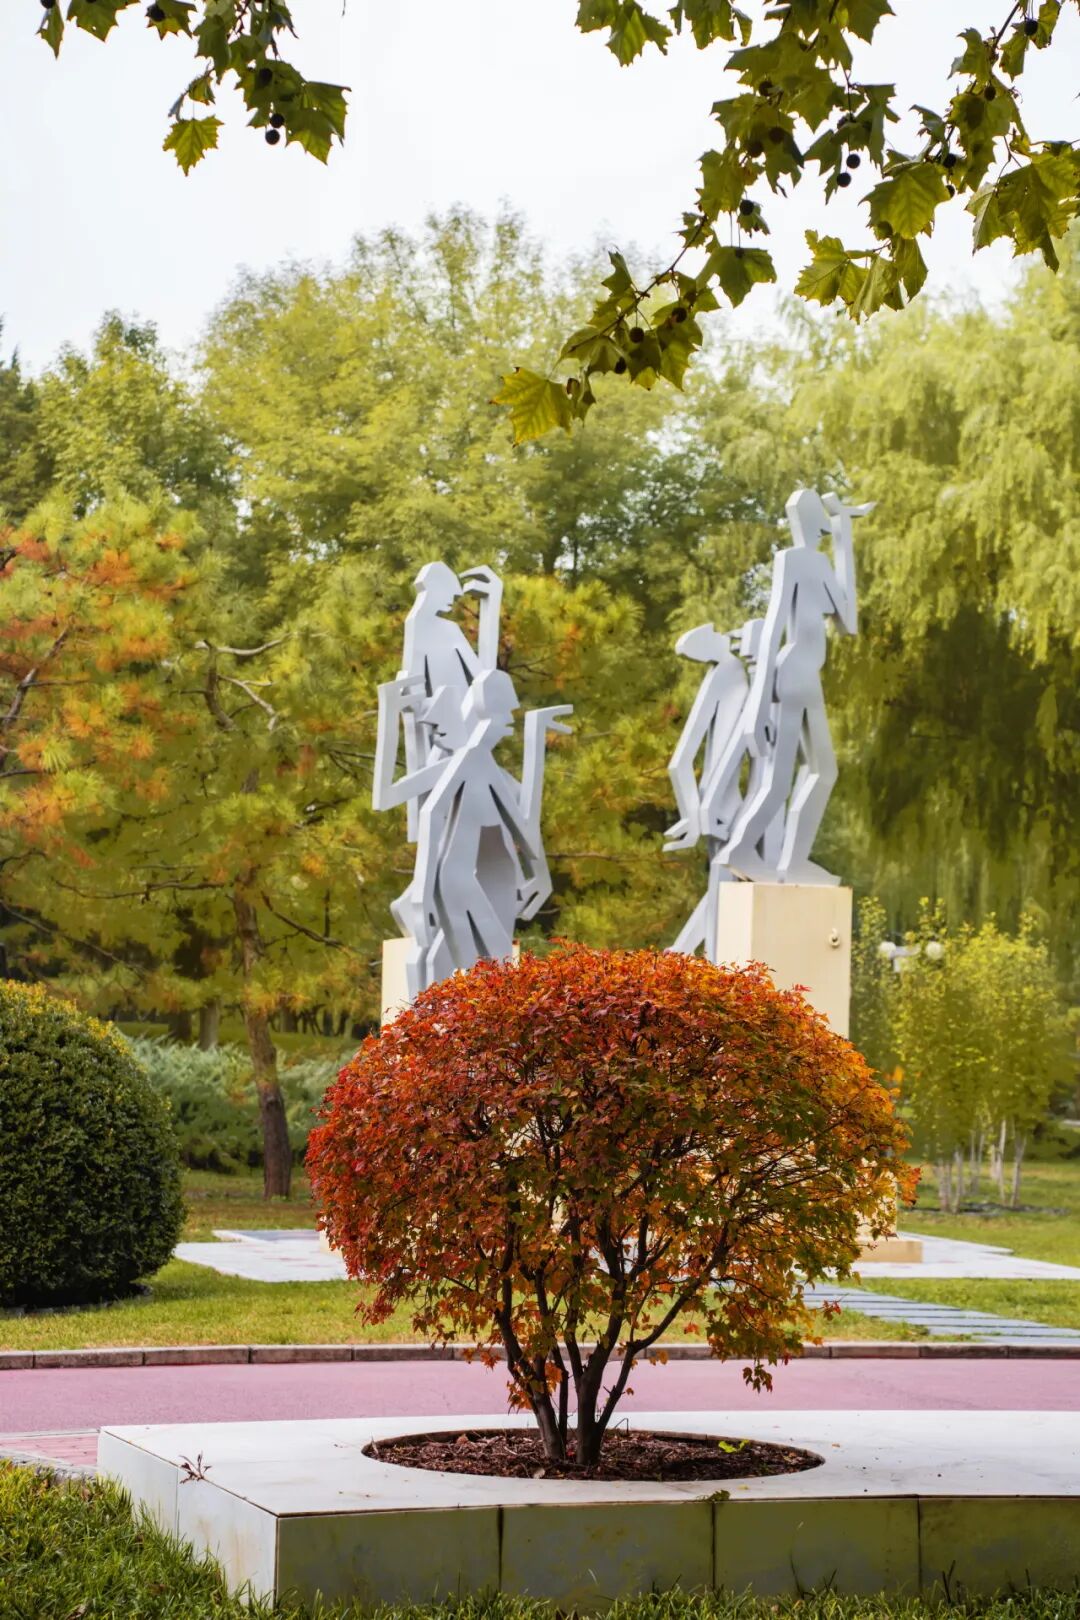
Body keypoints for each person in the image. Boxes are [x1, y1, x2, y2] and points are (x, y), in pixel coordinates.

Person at [719, 488, 869, 884]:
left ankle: (792, 861)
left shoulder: (819, 563)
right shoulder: (793, 560)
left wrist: (844, 532)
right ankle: (742, 850)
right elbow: (772, 628)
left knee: (823, 772)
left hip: (806, 677)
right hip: (792, 675)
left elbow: (848, 620)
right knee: (782, 775)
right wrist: (757, 706)